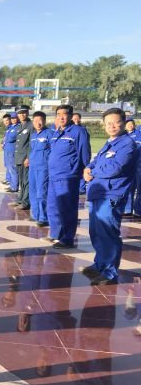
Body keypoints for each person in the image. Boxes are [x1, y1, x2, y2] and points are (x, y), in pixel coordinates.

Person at [80, 108, 137, 285]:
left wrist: (93, 172)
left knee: (108, 233)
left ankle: (110, 273)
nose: (112, 126)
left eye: (116, 122)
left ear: (124, 122)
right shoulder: (110, 143)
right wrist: (88, 168)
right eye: (108, 123)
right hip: (98, 193)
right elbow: (97, 161)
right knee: (96, 232)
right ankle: (99, 265)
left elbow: (115, 168)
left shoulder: (128, 144)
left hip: (112, 195)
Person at [45, 104, 91, 249]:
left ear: (70, 116)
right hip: (53, 175)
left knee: (67, 208)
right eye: (58, 114)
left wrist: (82, 170)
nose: (61, 117)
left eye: (64, 114)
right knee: (52, 207)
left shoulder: (78, 131)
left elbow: (85, 154)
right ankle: (56, 234)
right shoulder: (57, 132)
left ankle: (67, 238)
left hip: (67, 176)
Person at [28, 111, 52, 227]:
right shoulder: (33, 135)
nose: (38, 123)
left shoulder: (50, 134)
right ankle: (36, 214)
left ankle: (44, 217)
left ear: (45, 121)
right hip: (32, 167)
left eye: (40, 121)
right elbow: (32, 150)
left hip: (43, 168)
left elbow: (54, 150)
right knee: (32, 191)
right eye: (35, 121)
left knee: (42, 192)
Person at [9, 105, 32, 210]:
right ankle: (20, 199)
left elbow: (31, 144)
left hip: (25, 159)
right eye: (19, 113)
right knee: (21, 180)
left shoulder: (31, 126)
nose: (22, 115)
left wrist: (28, 158)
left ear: (27, 113)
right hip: (19, 157)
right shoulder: (20, 126)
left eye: (24, 112)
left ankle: (26, 202)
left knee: (26, 181)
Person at [124, 118, 141, 216]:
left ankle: (138, 210)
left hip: (138, 165)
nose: (130, 125)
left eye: (132, 124)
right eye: (128, 124)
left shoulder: (138, 133)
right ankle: (127, 209)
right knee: (129, 188)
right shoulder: (123, 135)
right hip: (128, 166)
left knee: (139, 188)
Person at [72, 112, 90, 195]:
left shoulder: (83, 129)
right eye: (74, 118)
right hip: (74, 153)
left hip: (83, 152)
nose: (76, 120)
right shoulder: (70, 129)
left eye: (78, 118)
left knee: (83, 167)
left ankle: (82, 188)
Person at [1, 113, 18, 193]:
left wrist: (5, 140)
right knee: (9, 167)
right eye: (12, 118)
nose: (13, 120)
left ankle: (14, 187)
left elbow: (10, 138)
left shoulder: (17, 127)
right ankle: (11, 184)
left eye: (14, 118)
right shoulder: (10, 127)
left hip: (12, 150)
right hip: (7, 149)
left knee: (12, 169)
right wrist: (3, 142)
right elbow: (5, 138)